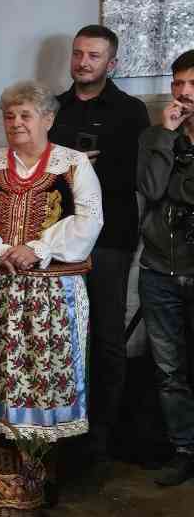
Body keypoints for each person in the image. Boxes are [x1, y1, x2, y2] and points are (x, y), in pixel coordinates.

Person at [0, 82, 102, 453]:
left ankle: (43, 463)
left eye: (25, 115)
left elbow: (90, 221)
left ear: (48, 119)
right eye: (9, 116)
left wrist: (38, 248)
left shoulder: (73, 164)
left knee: (47, 369)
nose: (16, 123)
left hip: (53, 293)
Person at [48, 25, 151, 461]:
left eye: (93, 56)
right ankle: (63, 422)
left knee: (107, 333)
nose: (83, 62)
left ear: (112, 63)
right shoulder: (55, 108)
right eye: (77, 54)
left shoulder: (131, 111)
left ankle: (103, 432)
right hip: (58, 237)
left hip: (110, 238)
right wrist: (72, 168)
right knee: (64, 332)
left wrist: (80, 169)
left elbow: (134, 177)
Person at [136, 49, 194, 487]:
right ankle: (183, 449)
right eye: (178, 84)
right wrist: (166, 137)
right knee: (169, 370)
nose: (183, 92)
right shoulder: (156, 136)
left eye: (192, 84)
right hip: (159, 269)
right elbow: (152, 189)